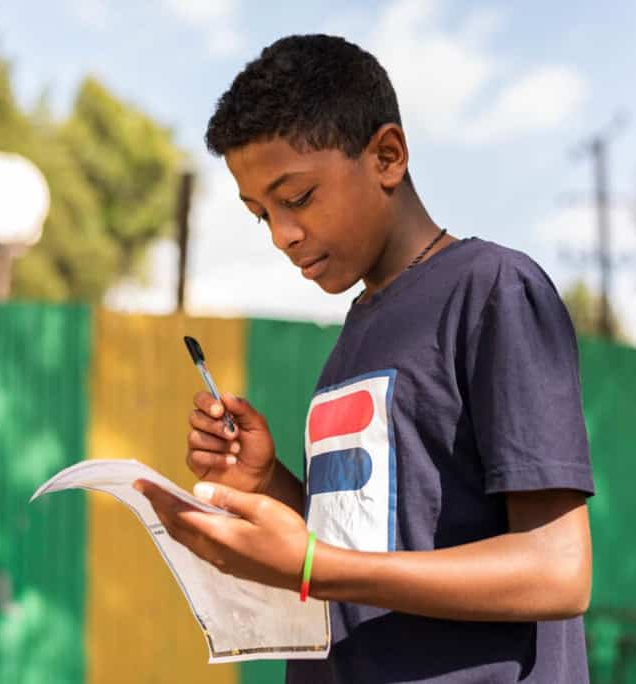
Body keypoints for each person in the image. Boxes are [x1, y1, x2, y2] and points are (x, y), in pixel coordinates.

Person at [135, 33, 595, 683]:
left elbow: (559, 570)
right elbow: (371, 550)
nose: (282, 235)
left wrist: (308, 567)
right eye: (259, 214)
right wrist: (270, 484)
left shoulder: (492, 290)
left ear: (386, 155)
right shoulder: (359, 330)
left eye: (296, 198)